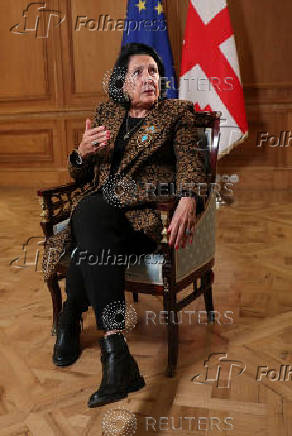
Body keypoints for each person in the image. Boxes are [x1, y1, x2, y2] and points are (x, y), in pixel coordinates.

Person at [42, 43, 206, 408]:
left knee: (87, 214)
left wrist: (190, 197)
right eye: (139, 72)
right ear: (121, 82)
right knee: (92, 221)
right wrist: (81, 153)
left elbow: (193, 163)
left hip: (142, 220)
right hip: (100, 221)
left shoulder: (176, 114)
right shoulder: (107, 112)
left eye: (153, 71)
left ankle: (71, 315)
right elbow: (79, 173)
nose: (149, 78)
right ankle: (116, 351)